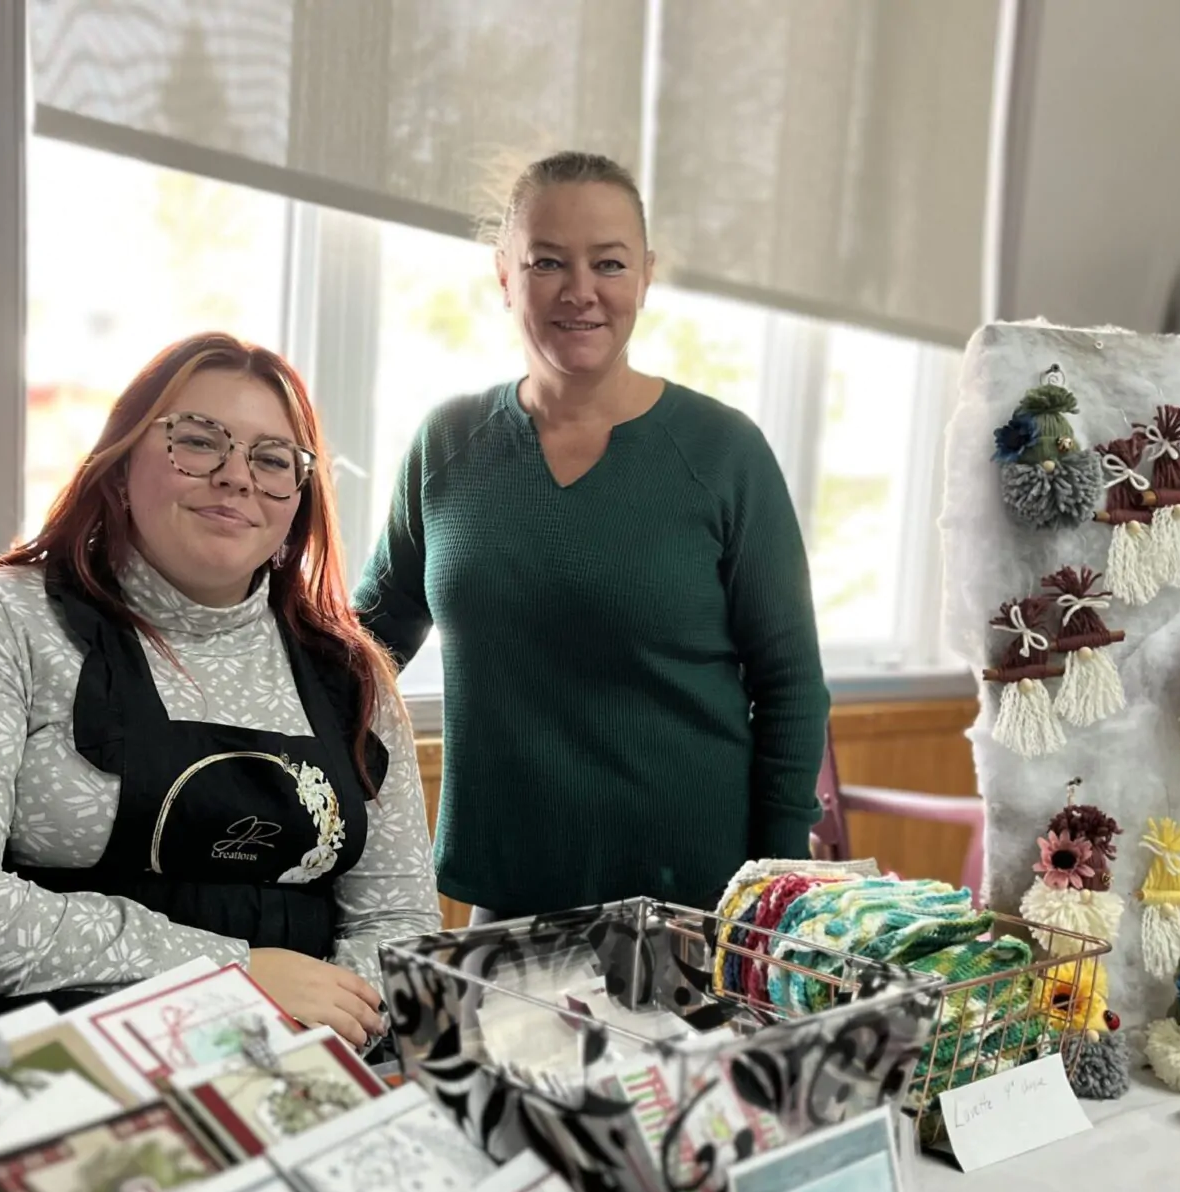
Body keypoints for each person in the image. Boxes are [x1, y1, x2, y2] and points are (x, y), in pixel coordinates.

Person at [0, 333, 439, 1070]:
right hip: (6, 1064)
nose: (237, 476)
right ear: (119, 465)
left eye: (273, 461)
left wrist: (323, 1032)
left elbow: (398, 928)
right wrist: (231, 977)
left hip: (269, 1071)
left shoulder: (351, 674)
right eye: (198, 442)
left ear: (298, 504)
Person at [354, 152, 830, 923]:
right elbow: (366, 642)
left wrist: (775, 890)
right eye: (547, 262)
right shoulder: (446, 445)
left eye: (608, 263)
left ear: (644, 276)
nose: (581, 291)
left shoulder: (723, 453)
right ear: (505, 276)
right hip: (504, 897)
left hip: (694, 904)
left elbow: (791, 688)